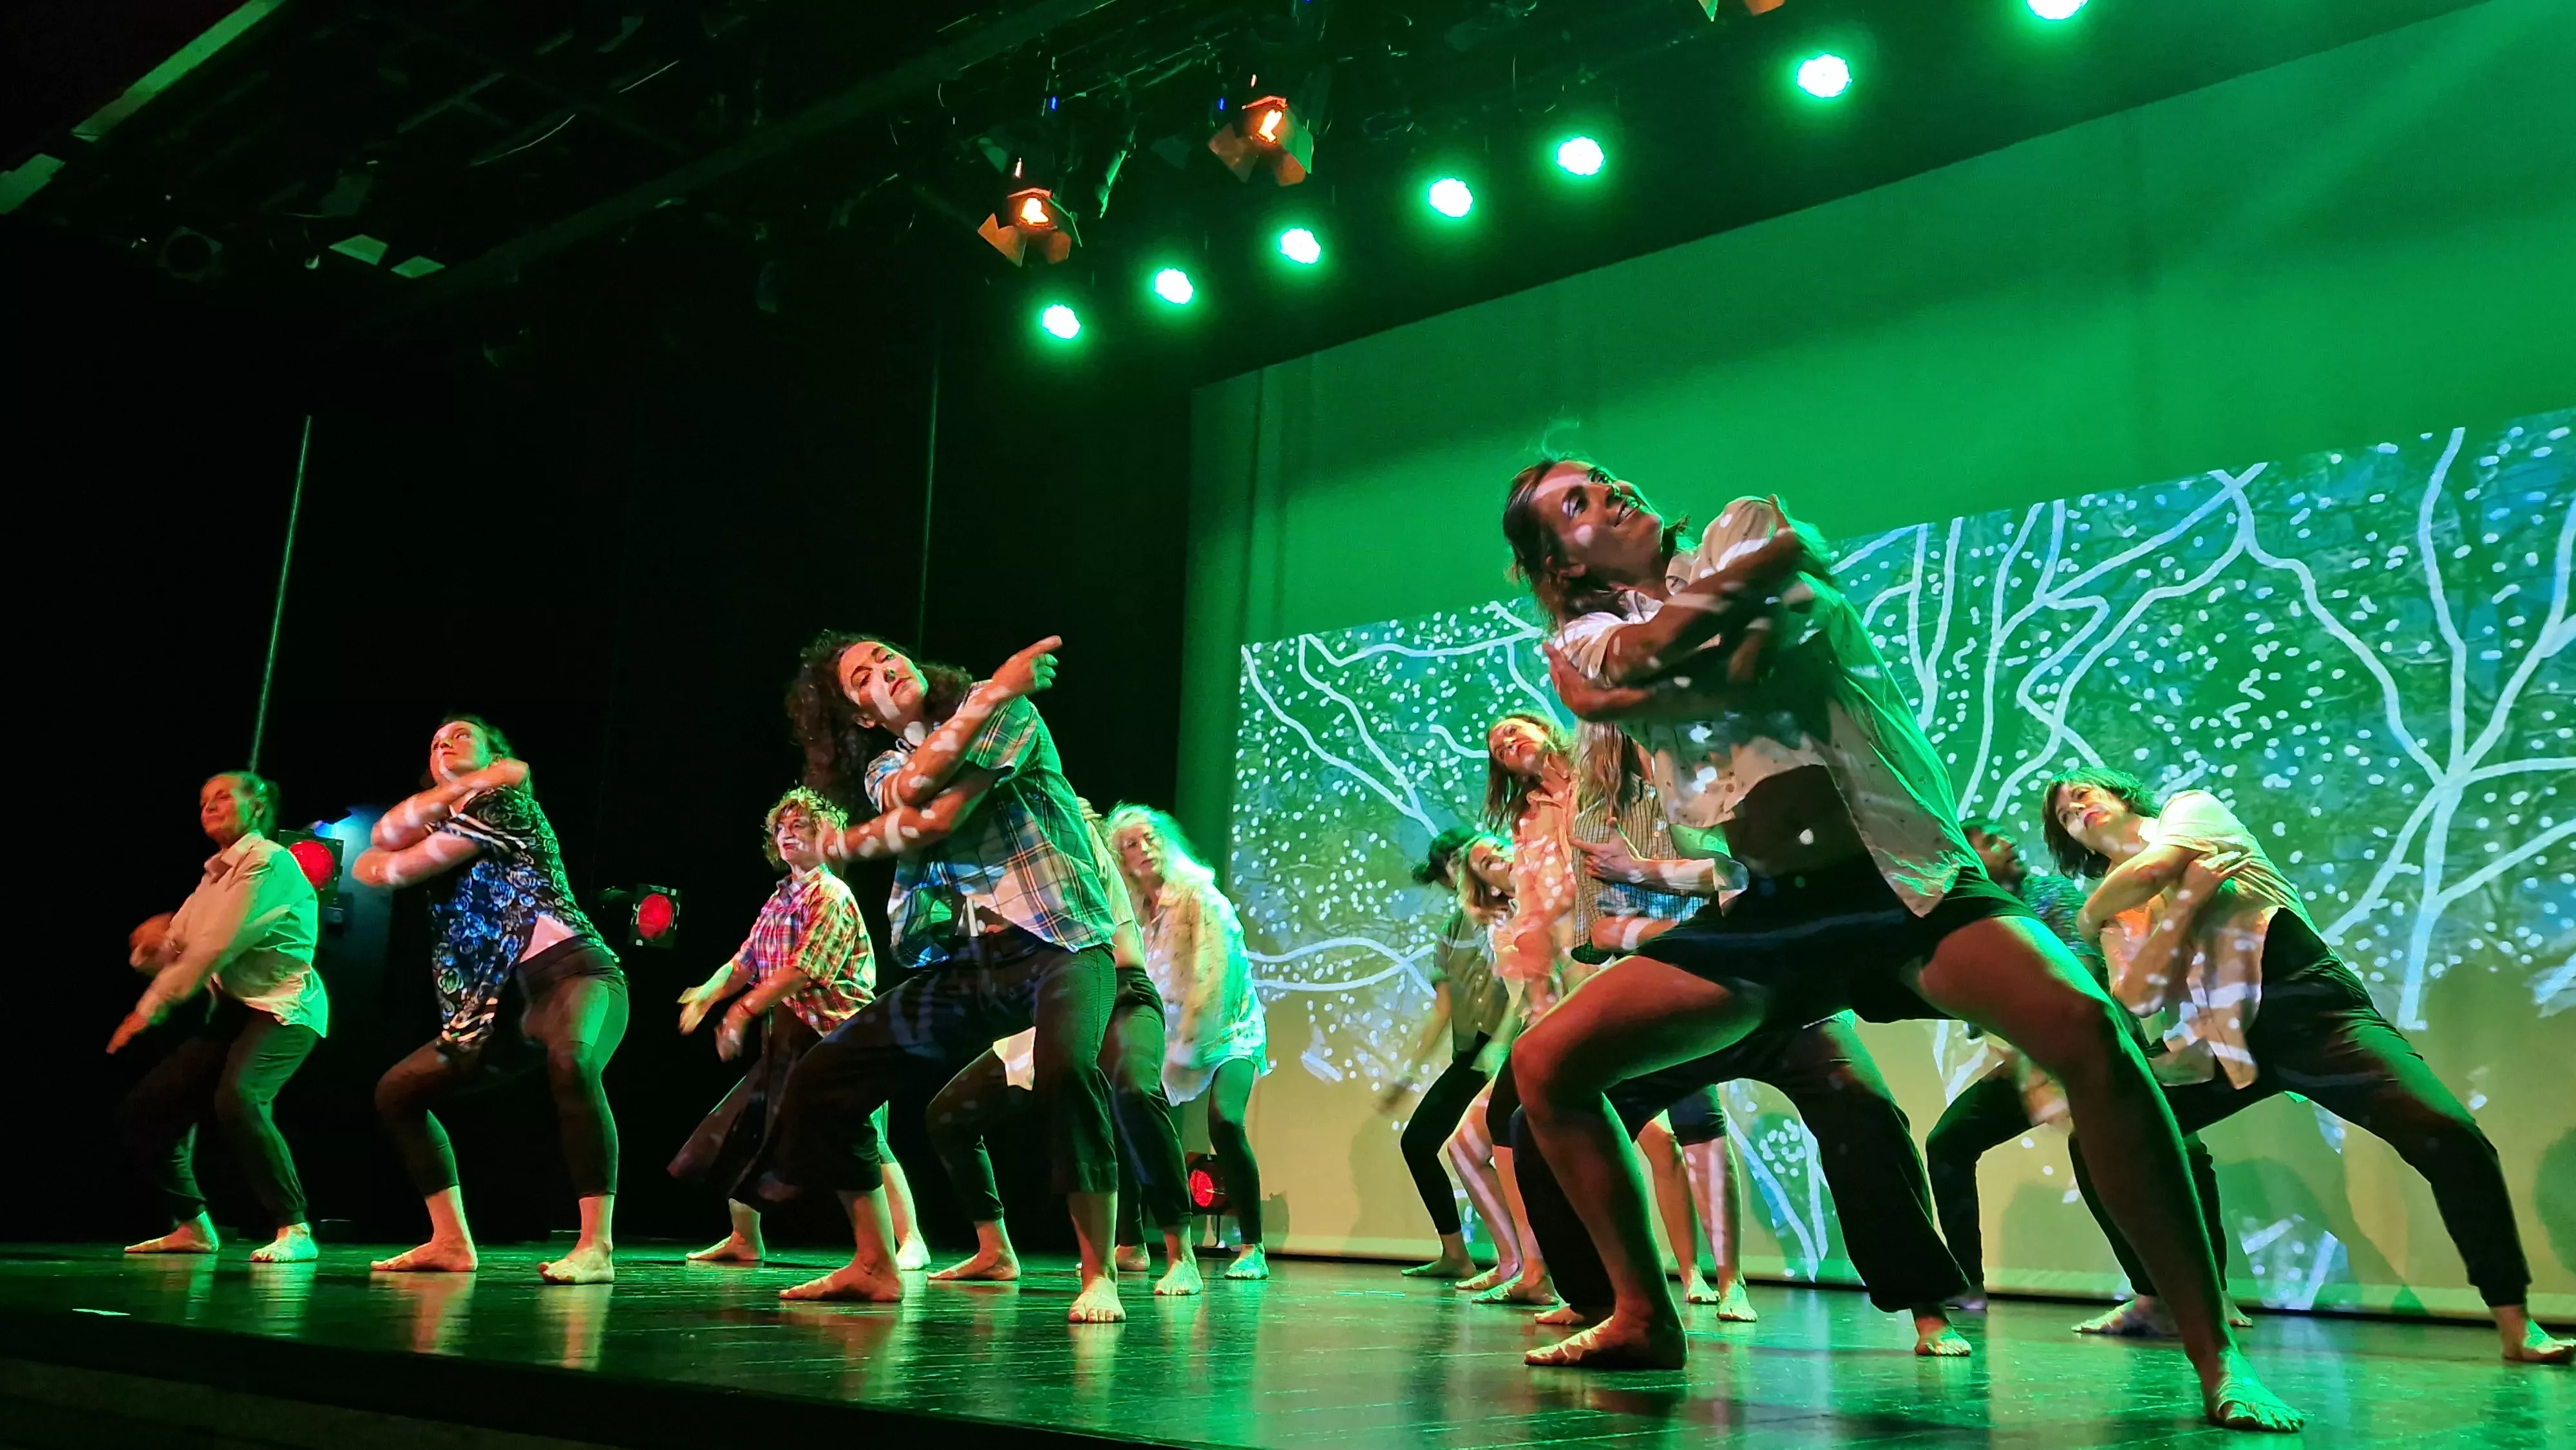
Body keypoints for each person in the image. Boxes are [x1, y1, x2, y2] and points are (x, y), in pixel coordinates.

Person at [1497, 462, 2298, 1431]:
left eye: (1606, 479)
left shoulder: (1743, 522)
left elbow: (1750, 657)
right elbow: (1663, 657)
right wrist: (1710, 625)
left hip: (1900, 878)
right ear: (1557, 561)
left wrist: (1660, 668)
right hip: (1769, 912)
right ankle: (1642, 1316)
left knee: (2089, 1032)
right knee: (1547, 1065)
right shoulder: (1591, 631)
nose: (1611, 492)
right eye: (1576, 505)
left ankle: (2216, 1354)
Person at [2045, 767, 2573, 1366]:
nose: (2077, 807)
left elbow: (2157, 868)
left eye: (2084, 793)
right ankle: (2158, 1298)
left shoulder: (2188, 813)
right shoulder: (2116, 904)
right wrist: (2180, 906)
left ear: (2121, 796)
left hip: (2313, 1011)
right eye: (2064, 814)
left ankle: (2515, 1322)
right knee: (2098, 1130)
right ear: (2075, 843)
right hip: (2219, 1043)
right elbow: (2138, 996)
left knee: (2449, 1133)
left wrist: (2098, 913)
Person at [762, 633, 1132, 1322]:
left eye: (885, 656)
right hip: (972, 963)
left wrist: (992, 691)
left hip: (1063, 943)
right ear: (863, 716)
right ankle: (874, 1262)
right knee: (821, 1078)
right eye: (861, 678)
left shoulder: (1005, 713)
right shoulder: (884, 767)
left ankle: (1098, 1271)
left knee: (1066, 1069)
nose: (883, 671)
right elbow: (910, 787)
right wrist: (998, 681)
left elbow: (939, 813)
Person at [359, 716, 627, 1284]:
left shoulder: (505, 805)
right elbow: (386, 836)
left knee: (572, 1062)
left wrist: (383, 860)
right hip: (501, 1007)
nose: (444, 743)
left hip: (574, 974)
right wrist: (435, 807)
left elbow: (399, 865)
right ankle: (451, 1241)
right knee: (397, 1092)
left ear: (494, 756)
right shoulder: (458, 811)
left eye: (460, 736)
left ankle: (596, 1247)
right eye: (435, 742)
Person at [921, 800, 1202, 1298]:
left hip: (1119, 998)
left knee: (1134, 1092)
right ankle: (994, 1251)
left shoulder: (1081, 859)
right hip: (1056, 1010)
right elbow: (972, 927)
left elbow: (1112, 953)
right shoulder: (1010, 878)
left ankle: (1181, 1255)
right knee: (948, 1115)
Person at [668, 787, 929, 1270]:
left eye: (800, 827)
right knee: (745, 1127)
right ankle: (744, 1239)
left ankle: (911, 1238)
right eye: (781, 829)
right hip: (788, 1034)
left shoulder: (831, 893)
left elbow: (804, 969)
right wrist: (706, 994)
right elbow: (747, 961)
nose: (788, 835)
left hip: (837, 1035)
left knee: (867, 1135)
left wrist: (742, 1012)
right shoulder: (780, 898)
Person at [1568, 722, 1754, 1321]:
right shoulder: (1596, 816)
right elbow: (1593, 933)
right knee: (1562, 1123)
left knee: (1700, 1123)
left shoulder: (1703, 794)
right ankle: (1632, 1288)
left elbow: (1735, 877)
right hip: (1634, 983)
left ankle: (1731, 1281)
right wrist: (1672, 930)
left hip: (1703, 980)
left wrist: (1648, 878)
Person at [110, 770, 328, 1264]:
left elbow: (215, 946)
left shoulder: (269, 863)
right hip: (231, 1011)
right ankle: (193, 1226)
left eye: (223, 797)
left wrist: (149, 1010)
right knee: (145, 1111)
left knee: (240, 1098)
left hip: (282, 1006)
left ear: (257, 808)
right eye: (204, 799)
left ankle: (295, 1228)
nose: (209, 806)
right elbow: (177, 947)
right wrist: (149, 947)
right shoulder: (212, 877)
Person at [1108, 804, 1271, 1281]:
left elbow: (1214, 978)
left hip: (1228, 1029)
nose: (1145, 850)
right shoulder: (1136, 913)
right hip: (1168, 1029)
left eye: (1151, 838)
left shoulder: (1203, 898)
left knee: (1226, 1121)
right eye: (1131, 845)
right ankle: (1130, 1243)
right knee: (1131, 1116)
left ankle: (1253, 1247)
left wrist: (1186, 1049)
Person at [1378, 828, 1513, 1280]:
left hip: (1511, 1048)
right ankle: (1457, 1253)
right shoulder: (1452, 931)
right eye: (1452, 864)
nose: (1463, 868)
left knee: (1509, 1153)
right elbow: (1443, 1010)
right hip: (1472, 1054)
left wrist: (1501, 1045)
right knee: (1419, 1142)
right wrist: (1408, 1072)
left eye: (1466, 857)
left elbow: (1530, 988)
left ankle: (1527, 1261)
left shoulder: (1511, 912)